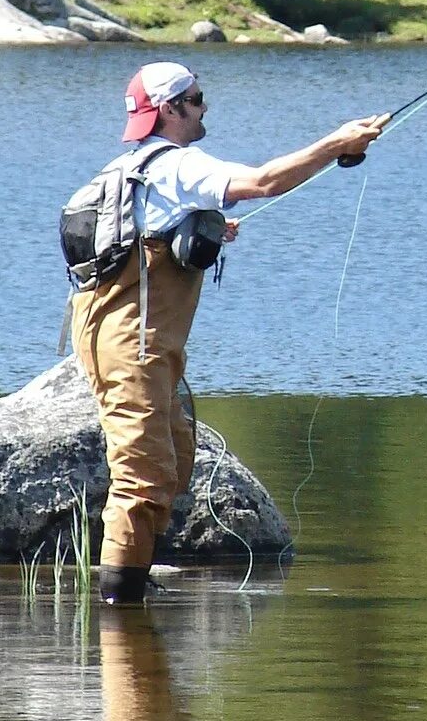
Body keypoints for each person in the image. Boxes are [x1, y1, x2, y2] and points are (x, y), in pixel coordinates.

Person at [70, 61, 388, 603]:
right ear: (169, 109)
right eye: (197, 97)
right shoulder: (175, 165)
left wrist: (201, 231)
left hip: (122, 332)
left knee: (175, 454)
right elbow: (262, 181)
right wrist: (335, 143)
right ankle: (118, 608)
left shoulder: (132, 166)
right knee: (142, 477)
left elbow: (150, 237)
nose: (204, 106)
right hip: (134, 339)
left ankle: (135, 592)